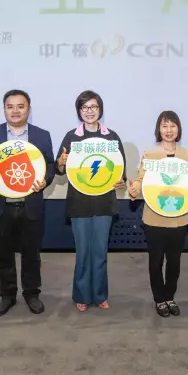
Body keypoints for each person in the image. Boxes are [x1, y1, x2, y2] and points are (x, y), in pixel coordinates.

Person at [0, 89, 56, 317]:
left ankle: (31, 293)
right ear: (4, 110)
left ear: (28, 109)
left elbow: (49, 165)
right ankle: (7, 295)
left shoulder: (41, 135)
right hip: (0, 205)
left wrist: (45, 180)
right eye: (10, 106)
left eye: (20, 106)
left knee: (31, 253)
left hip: (30, 204)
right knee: (3, 254)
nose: (15, 111)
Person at [55, 90, 127, 312]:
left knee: (100, 251)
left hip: (104, 203)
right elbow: (59, 170)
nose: (89, 111)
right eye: (85, 107)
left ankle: (100, 294)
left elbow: (120, 171)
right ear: (79, 111)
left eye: (93, 107)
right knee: (83, 251)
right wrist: (61, 162)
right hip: (79, 203)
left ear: (100, 109)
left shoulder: (111, 136)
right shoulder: (72, 137)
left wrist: (121, 182)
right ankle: (82, 294)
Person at [128, 111, 188, 318]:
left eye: (173, 126)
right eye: (164, 126)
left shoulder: (187, 156)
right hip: (154, 218)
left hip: (179, 218)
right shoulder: (150, 154)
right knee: (156, 261)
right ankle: (159, 299)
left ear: (178, 129)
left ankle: (170, 297)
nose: (169, 131)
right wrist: (135, 189)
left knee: (174, 262)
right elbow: (141, 179)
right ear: (158, 130)